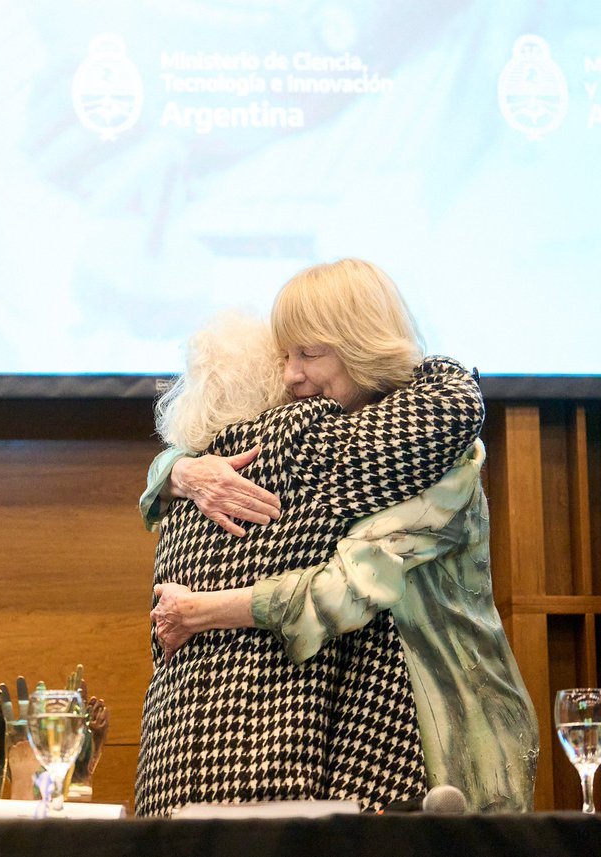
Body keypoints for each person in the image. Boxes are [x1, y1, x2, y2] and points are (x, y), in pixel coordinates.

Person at [135, 259, 537, 815]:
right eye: (285, 356)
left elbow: (348, 585)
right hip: (355, 728)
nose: (291, 375)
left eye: (308, 353)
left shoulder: (429, 451)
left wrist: (202, 609)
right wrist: (175, 469)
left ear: (360, 343)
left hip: (441, 719)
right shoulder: (306, 435)